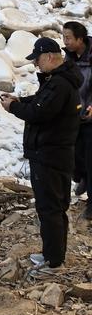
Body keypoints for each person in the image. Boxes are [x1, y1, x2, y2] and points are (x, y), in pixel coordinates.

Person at [0, 36, 82, 277]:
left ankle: (54, 263)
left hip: (51, 154)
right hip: (51, 153)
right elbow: (40, 102)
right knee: (51, 207)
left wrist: (13, 107)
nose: (36, 65)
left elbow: (40, 112)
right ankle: (51, 254)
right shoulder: (57, 82)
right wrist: (19, 100)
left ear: (48, 57)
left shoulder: (59, 84)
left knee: (51, 208)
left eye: (37, 60)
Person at [63, 20, 92, 217]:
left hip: (91, 114)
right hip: (75, 114)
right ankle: (83, 177)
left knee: (91, 158)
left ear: (80, 39)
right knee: (75, 157)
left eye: (68, 38)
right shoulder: (69, 58)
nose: (64, 41)